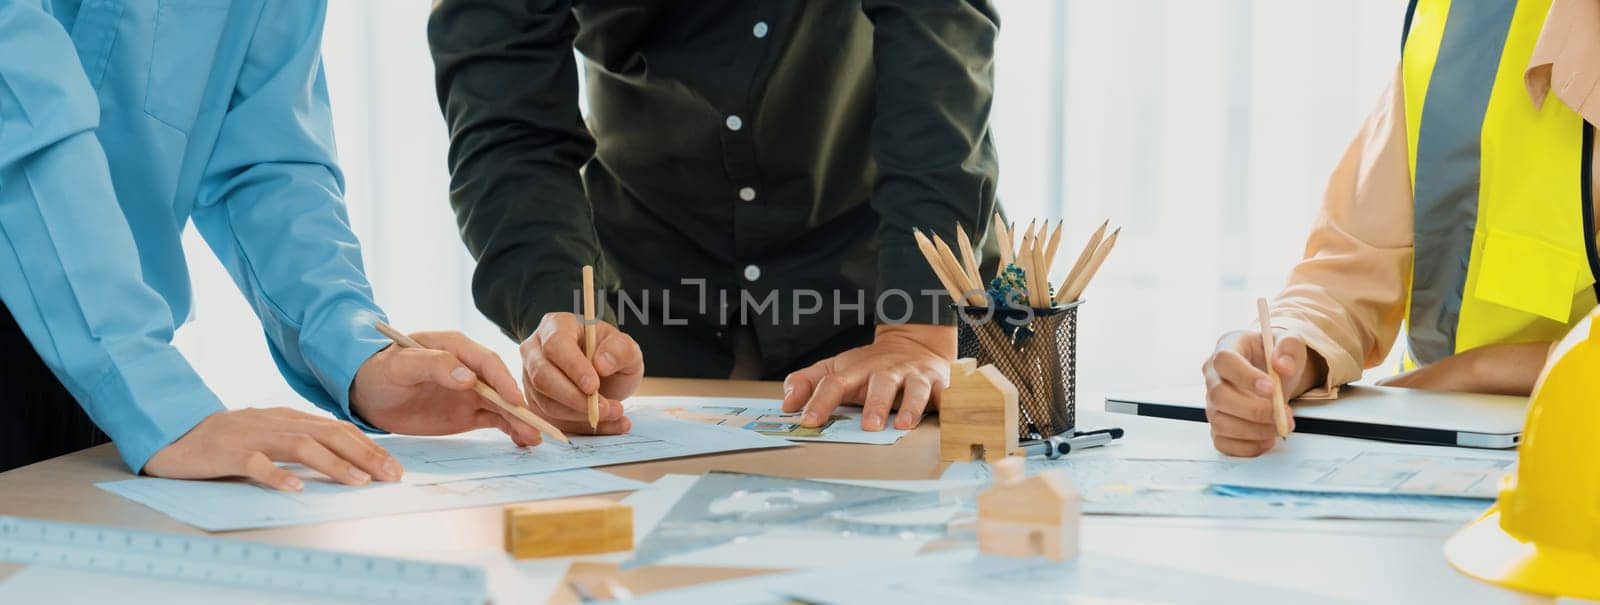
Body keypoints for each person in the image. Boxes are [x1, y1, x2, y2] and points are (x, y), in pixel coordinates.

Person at [0, 0, 543, 487]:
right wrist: (152, 395)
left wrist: (357, 354)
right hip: (116, 367)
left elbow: (268, 155)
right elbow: (18, 108)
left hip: (107, 385)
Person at [428, 0, 1001, 435]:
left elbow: (938, 61)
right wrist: (553, 310)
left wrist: (916, 328)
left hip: (886, 287)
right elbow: (509, 127)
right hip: (655, 299)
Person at [1200, 0, 1598, 457]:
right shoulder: (1467, 20)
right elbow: (1348, 276)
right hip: (1442, 471)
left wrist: (1478, 372)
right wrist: (1286, 354)